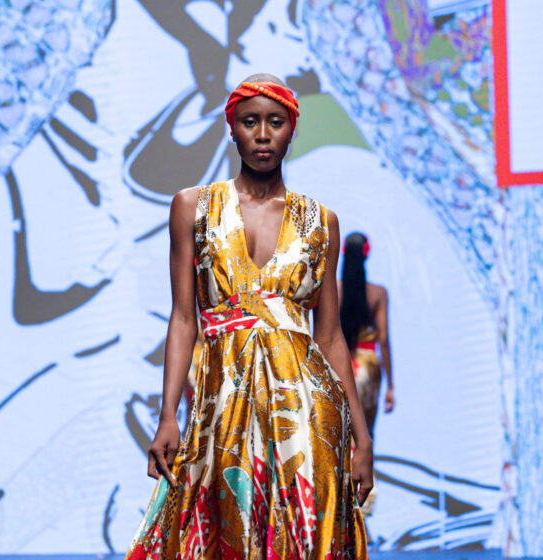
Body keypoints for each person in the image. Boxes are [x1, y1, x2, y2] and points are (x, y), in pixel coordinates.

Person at [125, 74, 372, 558]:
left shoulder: (321, 222)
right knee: (220, 538)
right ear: (232, 128)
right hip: (221, 410)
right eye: (250, 122)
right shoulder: (192, 208)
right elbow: (183, 319)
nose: (262, 134)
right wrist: (167, 415)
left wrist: (361, 440)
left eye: (275, 122)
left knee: (307, 543)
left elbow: (329, 338)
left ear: (292, 129)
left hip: (307, 414)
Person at [338, 232, 394, 517]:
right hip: (369, 368)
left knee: (341, 436)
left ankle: (340, 502)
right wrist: (391, 385)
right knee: (365, 435)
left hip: (341, 366)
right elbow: (383, 338)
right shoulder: (378, 293)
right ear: (367, 254)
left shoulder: (333, 291)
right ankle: (364, 503)